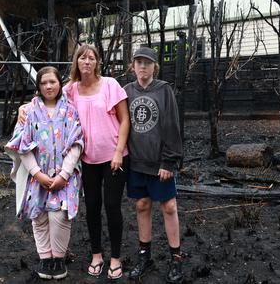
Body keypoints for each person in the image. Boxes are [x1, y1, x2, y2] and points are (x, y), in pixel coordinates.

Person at [18, 44, 130, 280]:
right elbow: (46, 95)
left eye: (91, 58)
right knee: (92, 207)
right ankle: (97, 255)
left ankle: (116, 258)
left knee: (112, 206)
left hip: (113, 158)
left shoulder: (110, 85)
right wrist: (23, 107)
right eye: (82, 58)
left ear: (97, 62)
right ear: (76, 62)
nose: (87, 62)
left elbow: (125, 119)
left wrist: (119, 151)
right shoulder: (70, 89)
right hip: (87, 160)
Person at [6, 66, 84, 280]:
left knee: (60, 214)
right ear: (38, 86)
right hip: (37, 176)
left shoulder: (70, 110)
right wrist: (37, 173)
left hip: (64, 178)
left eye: (53, 82)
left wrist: (65, 175)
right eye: (44, 83)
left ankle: (58, 258)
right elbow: (22, 144)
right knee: (39, 215)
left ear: (60, 84)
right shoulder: (30, 112)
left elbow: (77, 143)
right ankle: (45, 258)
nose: (49, 86)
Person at [123, 47, 184, 283]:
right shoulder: (126, 91)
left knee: (169, 206)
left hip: (160, 164)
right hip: (137, 163)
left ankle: (176, 258)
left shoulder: (164, 90)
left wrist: (169, 160)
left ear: (154, 66)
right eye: (138, 62)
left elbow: (172, 126)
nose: (142, 67)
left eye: (147, 63)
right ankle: (144, 256)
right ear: (133, 65)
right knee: (141, 205)